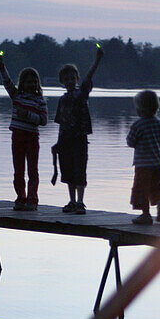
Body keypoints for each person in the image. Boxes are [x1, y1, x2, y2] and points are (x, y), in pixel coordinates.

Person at [54, 44, 104, 213]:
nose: (69, 81)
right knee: (67, 171)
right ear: (62, 82)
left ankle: (81, 202)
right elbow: (61, 124)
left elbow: (88, 78)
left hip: (80, 139)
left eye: (72, 78)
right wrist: (58, 143)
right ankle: (72, 201)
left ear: (76, 79)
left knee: (80, 170)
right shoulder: (62, 100)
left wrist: (97, 60)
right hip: (65, 140)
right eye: (66, 79)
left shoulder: (81, 94)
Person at [0, 51, 47, 211]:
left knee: (32, 170)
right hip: (17, 137)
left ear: (37, 84)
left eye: (34, 82)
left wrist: (29, 115)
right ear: (22, 83)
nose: (31, 85)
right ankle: (20, 197)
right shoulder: (16, 95)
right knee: (18, 170)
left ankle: (32, 199)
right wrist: (1, 66)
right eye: (28, 82)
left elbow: (44, 121)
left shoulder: (40, 101)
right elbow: (7, 83)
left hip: (32, 138)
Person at [126, 89, 160, 225]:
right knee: (155, 186)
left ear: (140, 109)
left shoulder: (138, 125)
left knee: (141, 188)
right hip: (159, 163)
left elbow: (130, 142)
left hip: (144, 165)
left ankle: (146, 215)